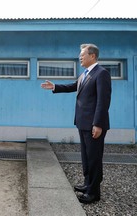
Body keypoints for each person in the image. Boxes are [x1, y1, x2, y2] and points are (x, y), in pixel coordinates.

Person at [41, 44, 111, 204]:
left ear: (92, 56)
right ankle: (87, 185)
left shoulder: (101, 74)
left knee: (94, 158)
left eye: (82, 55)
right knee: (86, 157)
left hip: (94, 124)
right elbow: (74, 86)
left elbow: (103, 101)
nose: (80, 57)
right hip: (83, 123)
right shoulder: (85, 74)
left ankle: (94, 193)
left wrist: (98, 124)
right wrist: (55, 87)